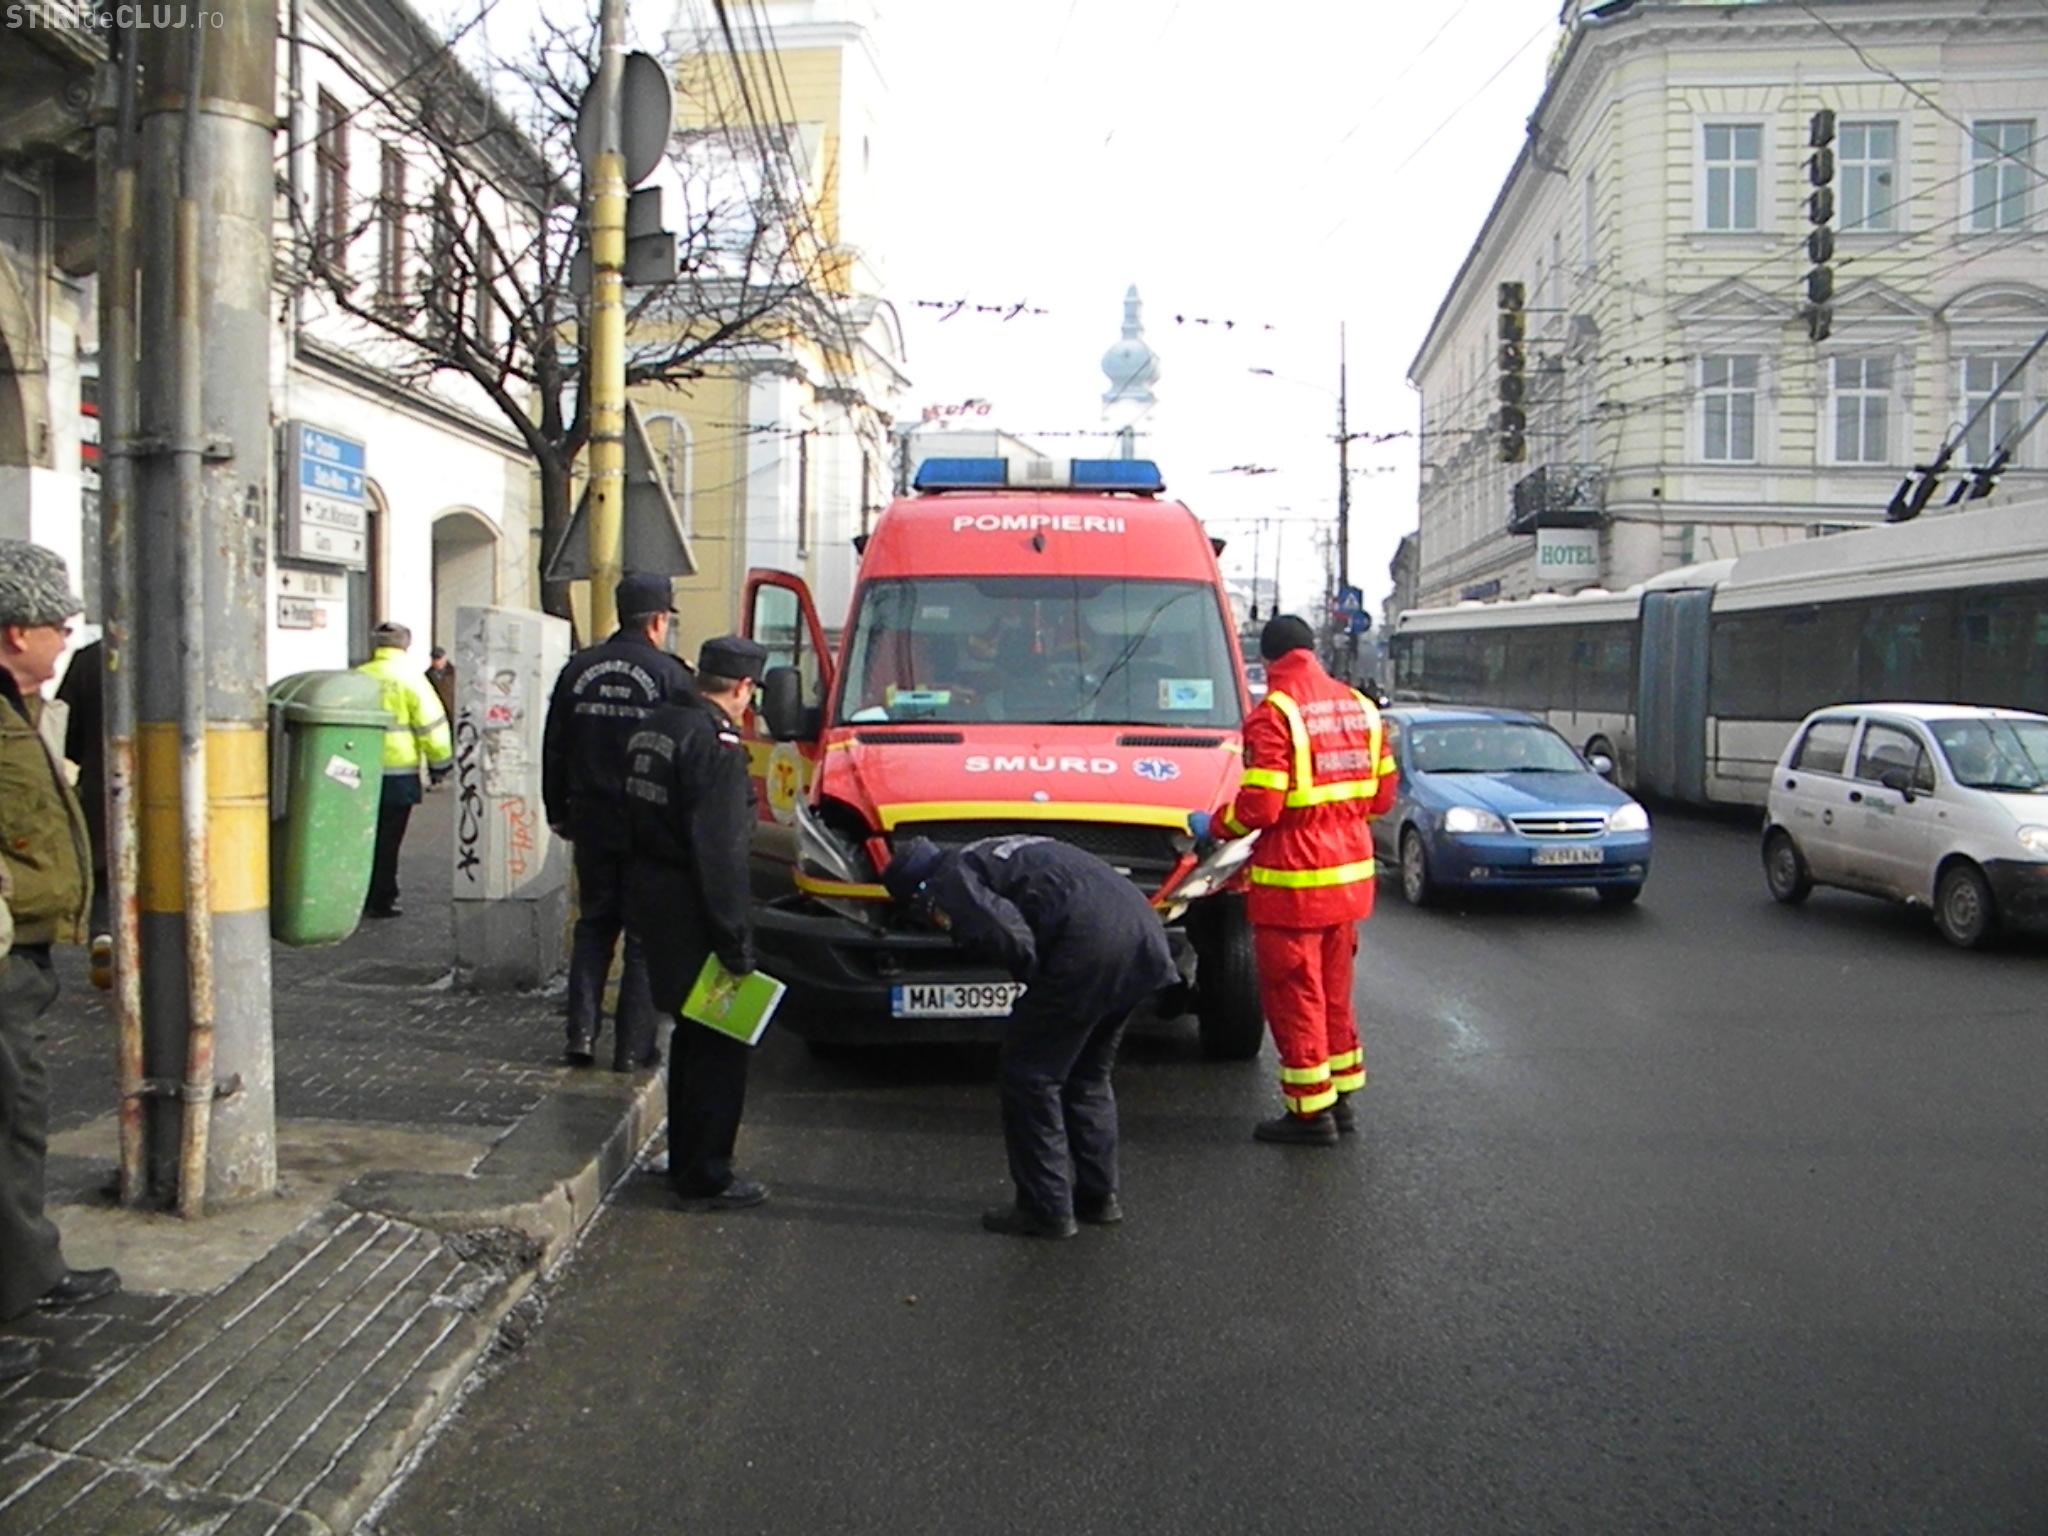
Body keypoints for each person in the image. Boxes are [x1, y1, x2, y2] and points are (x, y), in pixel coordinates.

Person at [882, 833, 1179, 1239]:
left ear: (917, 892)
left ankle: (1045, 1209)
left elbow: (1008, 936)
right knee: (1088, 1076)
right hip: (1142, 938)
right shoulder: (986, 853)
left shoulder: (948, 881)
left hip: (1085, 949)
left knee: (1030, 1077)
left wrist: (1037, 984)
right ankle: (1099, 1197)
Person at [1196, 613, 1397, 1146]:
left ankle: (1310, 1115)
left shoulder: (1274, 714)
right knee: (1335, 991)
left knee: (1294, 992)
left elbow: (1261, 806)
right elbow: (1381, 798)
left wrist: (1216, 825)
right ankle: (1342, 1098)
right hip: (1349, 877)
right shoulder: (1360, 707)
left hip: (1293, 881)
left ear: (1268, 660)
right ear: (1312, 652)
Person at [0, 540, 123, 1385]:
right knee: (9, 1119)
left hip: (25, 953)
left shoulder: (19, 705)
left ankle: (26, 1272)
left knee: (16, 1118)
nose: (65, 638)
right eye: (56, 624)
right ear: (14, 632)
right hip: (3, 950)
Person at [624, 635, 770, 1211]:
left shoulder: (656, 725)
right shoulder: (716, 744)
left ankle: (684, 1155)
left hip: (655, 897)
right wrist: (736, 941)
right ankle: (706, 1173)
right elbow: (722, 853)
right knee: (719, 1043)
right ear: (743, 688)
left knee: (689, 1037)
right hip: (696, 907)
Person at [543, 573, 695, 1069]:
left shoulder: (578, 669)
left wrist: (557, 811)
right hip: (647, 823)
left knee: (594, 926)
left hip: (590, 818)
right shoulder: (670, 675)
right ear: (657, 620)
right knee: (643, 938)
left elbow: (555, 746)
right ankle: (633, 1049)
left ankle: (580, 1036)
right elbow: (682, 751)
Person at [356, 622, 454, 919]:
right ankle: (382, 897)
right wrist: (440, 765)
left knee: (362, 837)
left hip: (359, 774)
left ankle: (358, 895)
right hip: (399, 775)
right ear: (405, 646)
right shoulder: (412, 679)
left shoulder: (359, 677)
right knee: (389, 840)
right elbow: (432, 725)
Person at [424, 646, 457, 725]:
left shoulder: (454, 673)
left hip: (453, 711)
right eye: (434, 659)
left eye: (439, 658)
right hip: (437, 712)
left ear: (444, 658)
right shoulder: (427, 676)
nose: (437, 662)